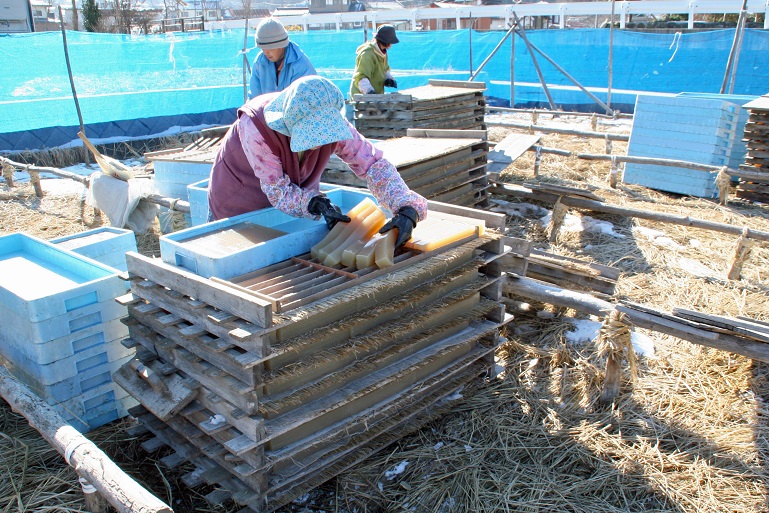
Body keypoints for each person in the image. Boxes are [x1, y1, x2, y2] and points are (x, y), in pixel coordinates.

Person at [208, 75, 427, 249]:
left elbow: (373, 165)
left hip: (287, 205)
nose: (316, 145)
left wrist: (406, 207)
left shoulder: (331, 122)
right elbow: (277, 189)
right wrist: (313, 203)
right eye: (310, 138)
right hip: (238, 199)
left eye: (321, 138)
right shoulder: (256, 127)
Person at [248, 17, 316, 99]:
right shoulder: (260, 62)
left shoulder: (301, 66)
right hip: (266, 111)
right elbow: (254, 99)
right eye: (262, 48)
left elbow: (303, 104)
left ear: (281, 45)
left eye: (270, 48)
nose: (265, 52)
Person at [349, 24, 400, 97]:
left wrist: (388, 78)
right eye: (391, 41)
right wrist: (369, 91)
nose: (392, 44)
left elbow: (384, 69)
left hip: (375, 96)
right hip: (361, 97)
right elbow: (360, 77)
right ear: (386, 41)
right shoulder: (367, 54)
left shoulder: (383, 52)